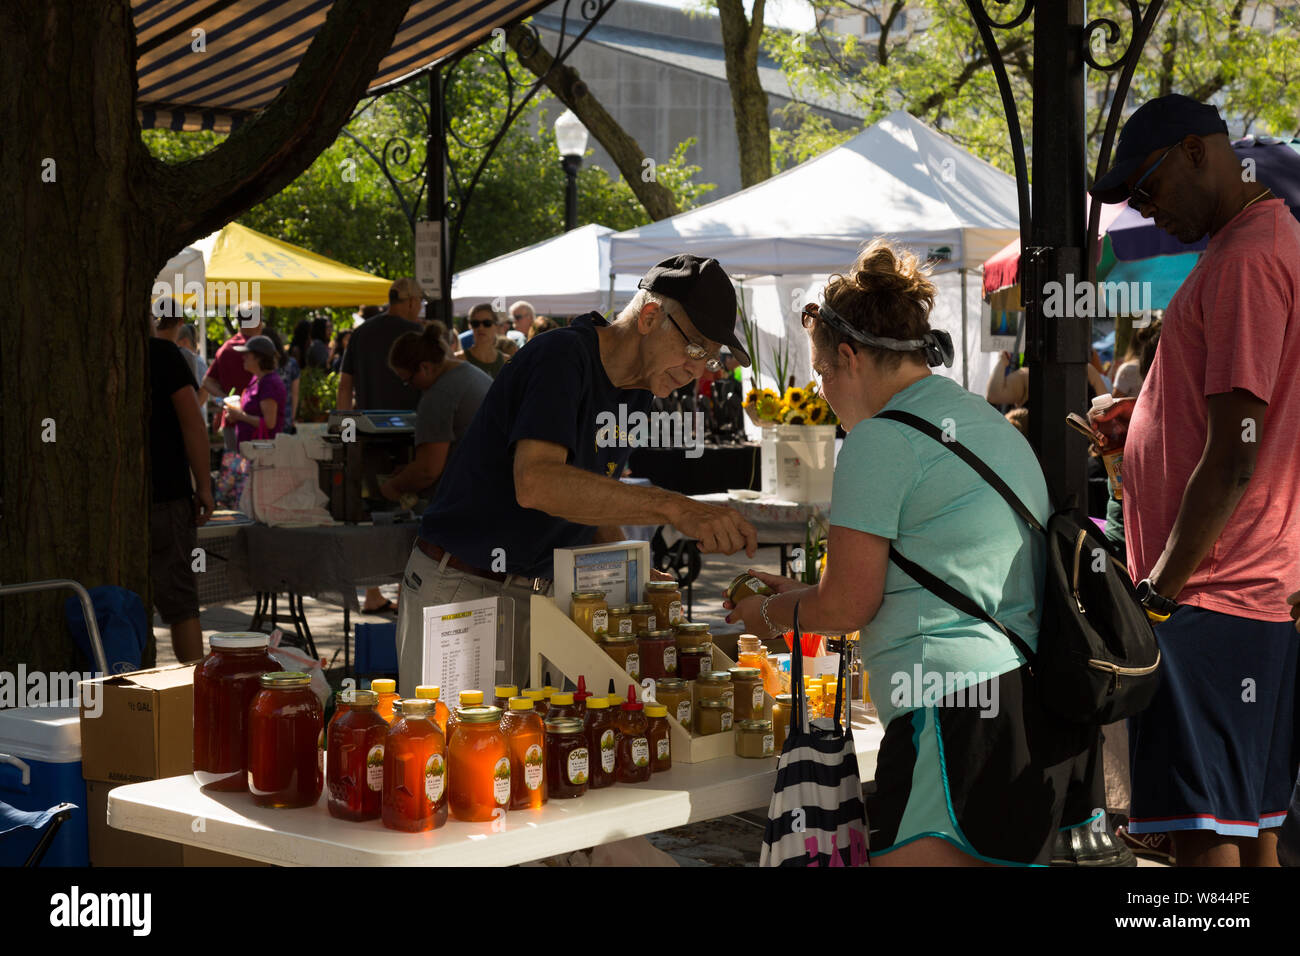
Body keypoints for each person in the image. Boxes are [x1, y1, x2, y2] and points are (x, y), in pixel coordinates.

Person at [726, 239, 1102, 867]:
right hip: (1024, 701)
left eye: (820, 374)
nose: (821, 394)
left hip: (951, 709)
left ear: (849, 356)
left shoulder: (881, 437)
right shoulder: (976, 415)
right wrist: (796, 598)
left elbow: (847, 602)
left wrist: (767, 617)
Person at [1090, 93, 1300, 868]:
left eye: (1148, 190)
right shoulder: (1259, 241)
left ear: (1194, 153)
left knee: (1203, 831)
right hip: (1247, 590)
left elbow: (1240, 449)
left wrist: (1159, 595)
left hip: (1210, 591)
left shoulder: (1247, 256)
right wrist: (1142, 426)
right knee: (1249, 827)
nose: (1149, 211)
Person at [395, 254, 760, 694]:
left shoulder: (639, 392)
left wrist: (636, 570)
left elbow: (590, 494)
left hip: (541, 597)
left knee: (532, 757)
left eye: (711, 360)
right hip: (467, 587)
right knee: (454, 755)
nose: (698, 370)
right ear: (648, 317)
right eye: (696, 348)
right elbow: (538, 483)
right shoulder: (562, 356)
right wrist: (675, 507)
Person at [149, 317, 215, 663]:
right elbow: (192, 420)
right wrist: (203, 485)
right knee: (182, 606)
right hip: (166, 496)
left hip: (110, 505)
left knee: (117, 601)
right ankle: (196, 698)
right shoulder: (162, 353)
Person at [379, 322, 493, 503]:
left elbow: (427, 470)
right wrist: (410, 471)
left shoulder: (439, 395)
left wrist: (393, 487)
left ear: (425, 367)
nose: (411, 387)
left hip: (465, 501)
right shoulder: (472, 373)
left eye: (408, 380)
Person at [338, 278, 423, 411]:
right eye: (421, 301)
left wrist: (345, 431)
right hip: (410, 425)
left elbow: (345, 386)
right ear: (412, 302)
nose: (421, 307)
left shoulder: (360, 332)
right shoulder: (418, 334)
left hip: (368, 425)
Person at [201, 302, 264, 449]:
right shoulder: (260, 349)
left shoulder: (226, 348)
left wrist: (226, 400)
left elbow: (207, 382)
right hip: (256, 421)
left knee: (236, 468)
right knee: (260, 469)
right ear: (257, 322)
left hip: (231, 422)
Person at [225, 335, 287, 443]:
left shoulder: (270, 383)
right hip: (250, 451)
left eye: (247, 354)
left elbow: (269, 423)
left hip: (263, 453)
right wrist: (235, 414)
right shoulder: (256, 379)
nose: (243, 357)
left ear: (259, 357)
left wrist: (240, 416)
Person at [456, 303, 508, 378]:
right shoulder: (458, 360)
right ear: (470, 326)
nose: (480, 328)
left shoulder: (506, 361)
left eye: (487, 323)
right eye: (475, 323)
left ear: (496, 326)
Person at [266, 327, 299, 433]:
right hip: (286, 417)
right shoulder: (292, 363)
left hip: (265, 419)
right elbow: (295, 394)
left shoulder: (261, 365)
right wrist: (292, 417)